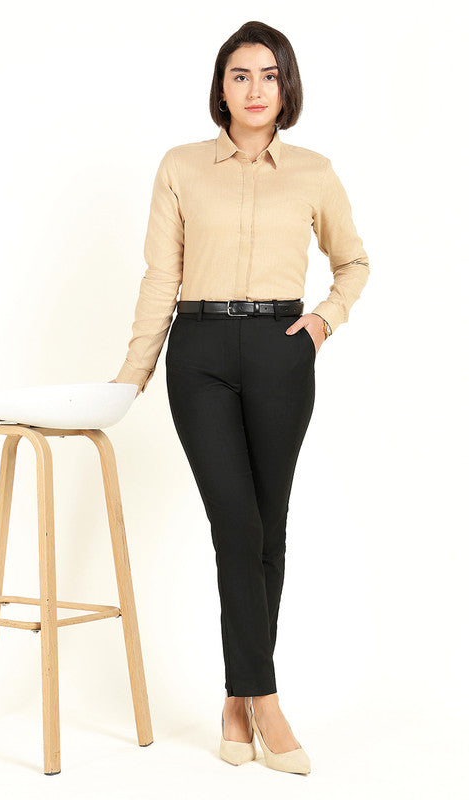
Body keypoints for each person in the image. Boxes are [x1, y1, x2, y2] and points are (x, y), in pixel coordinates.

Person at [110, 20, 369, 775]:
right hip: (200, 353)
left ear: (286, 86)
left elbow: (353, 262)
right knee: (236, 523)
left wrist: (322, 322)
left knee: (268, 529)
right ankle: (268, 701)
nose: (255, 89)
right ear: (220, 88)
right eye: (240, 74)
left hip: (281, 351)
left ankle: (236, 699)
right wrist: (132, 373)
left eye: (269, 74)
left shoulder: (314, 172)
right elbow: (162, 273)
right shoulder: (181, 166)